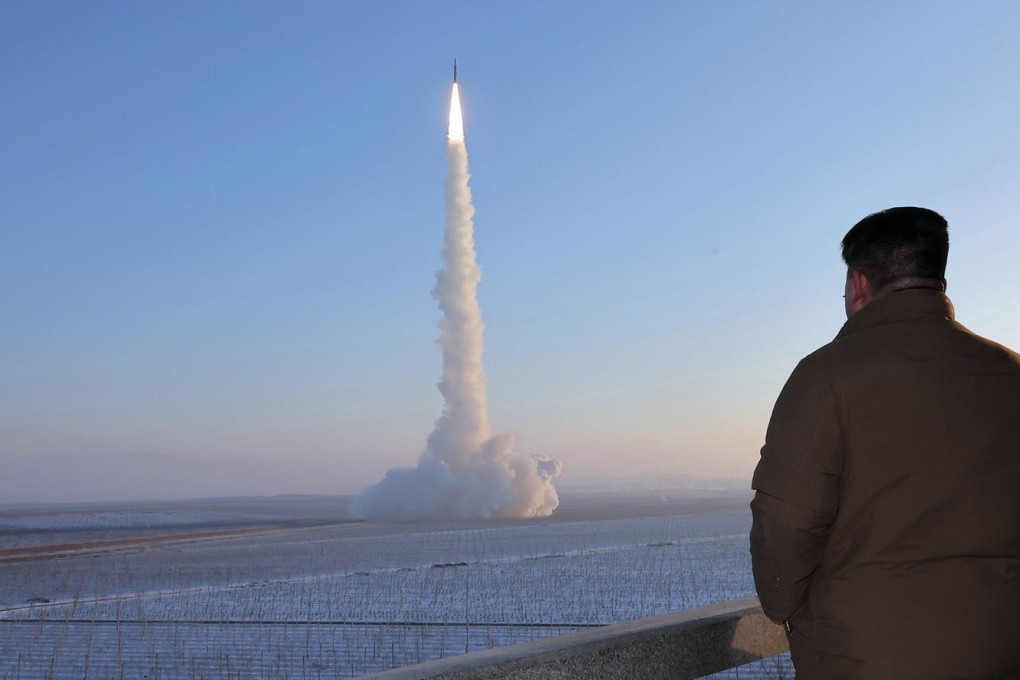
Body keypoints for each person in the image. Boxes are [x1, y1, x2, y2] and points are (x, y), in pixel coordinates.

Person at [750, 207, 1020, 679]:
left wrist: (786, 606)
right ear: (938, 276)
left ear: (858, 284)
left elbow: (786, 523)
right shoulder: (1009, 373)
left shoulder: (826, 376)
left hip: (866, 657)